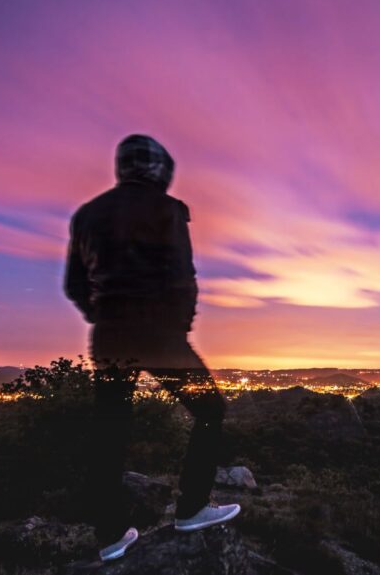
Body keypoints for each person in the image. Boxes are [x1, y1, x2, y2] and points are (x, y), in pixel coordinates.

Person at [64, 134, 240, 562]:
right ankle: (192, 507)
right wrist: (178, 327)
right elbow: (182, 276)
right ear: (160, 168)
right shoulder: (167, 209)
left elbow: (74, 285)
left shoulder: (88, 215)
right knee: (210, 410)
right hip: (159, 337)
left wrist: (101, 315)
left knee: (110, 431)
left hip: (110, 340)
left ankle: (110, 536)